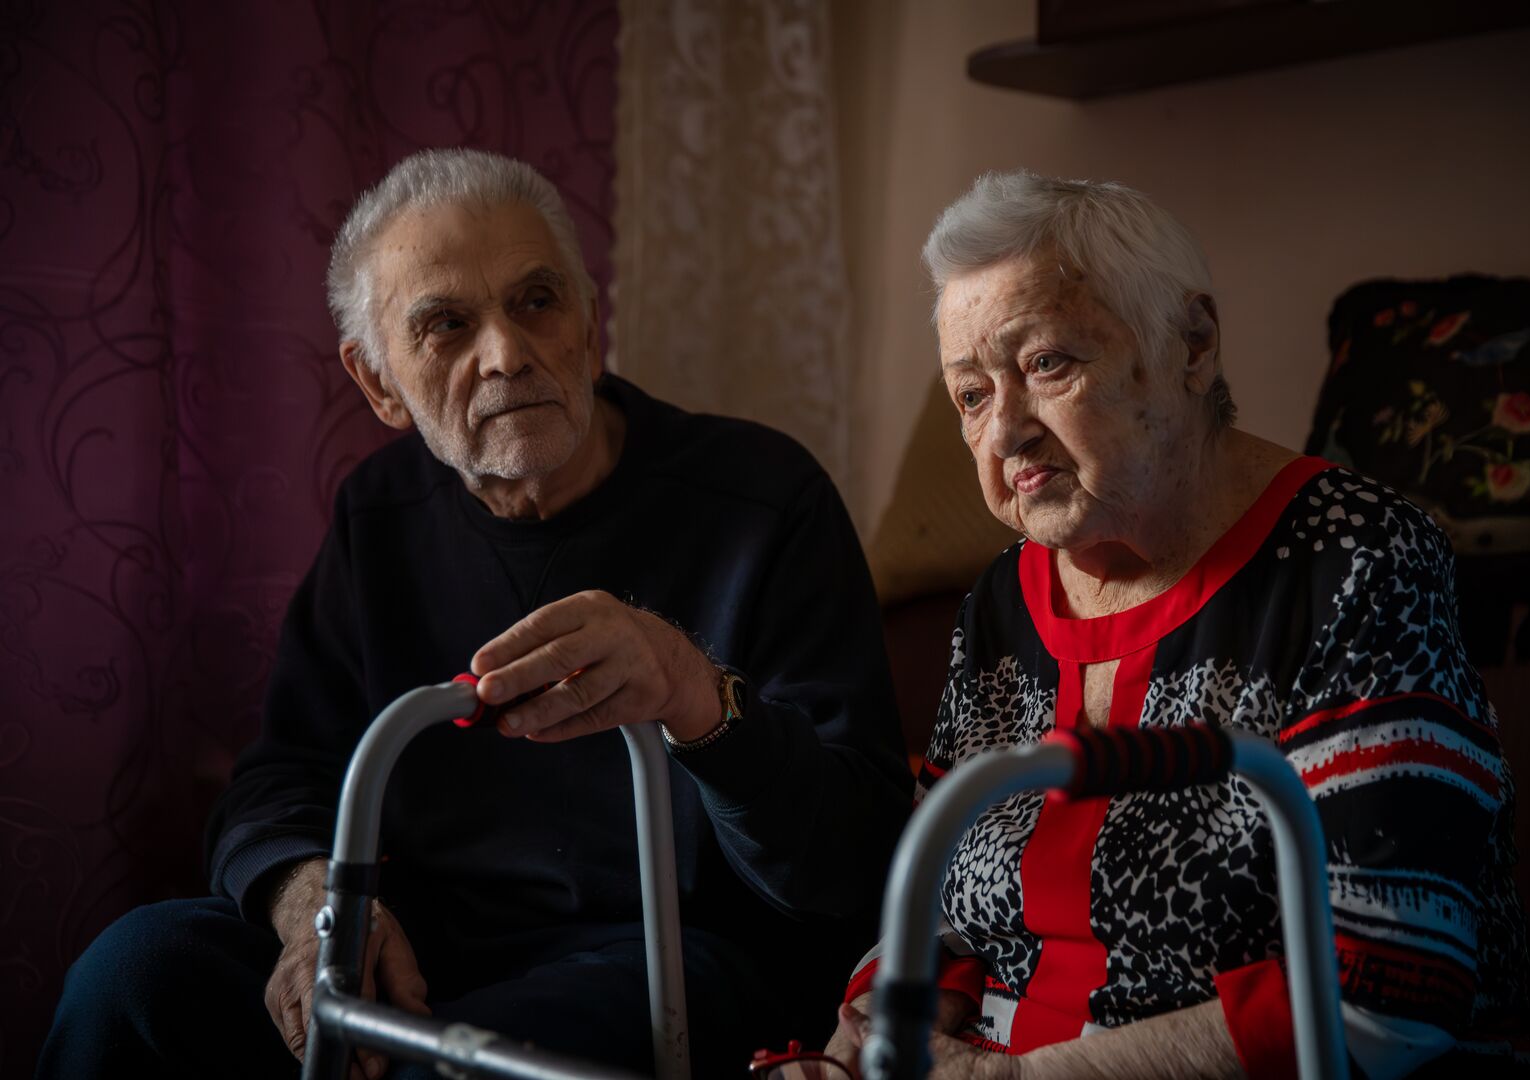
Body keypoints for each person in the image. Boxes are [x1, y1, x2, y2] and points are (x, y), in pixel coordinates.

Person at [39, 148, 913, 1079]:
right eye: (447, 324)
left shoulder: (764, 501)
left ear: (588, 321)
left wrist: (692, 690)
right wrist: (320, 910)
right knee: (132, 977)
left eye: (537, 300)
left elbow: (853, 859)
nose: (506, 351)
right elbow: (281, 776)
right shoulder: (380, 515)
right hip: (425, 945)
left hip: (672, 953)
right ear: (378, 384)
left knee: (448, 1067)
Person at [817, 172, 1530, 1079]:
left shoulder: (1360, 559)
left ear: (1192, 346)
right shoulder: (1004, 597)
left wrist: (1017, 1079)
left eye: (1046, 364)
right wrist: (878, 1029)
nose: (1004, 431)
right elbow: (943, 894)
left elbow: (1389, 991)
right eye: (970, 394)